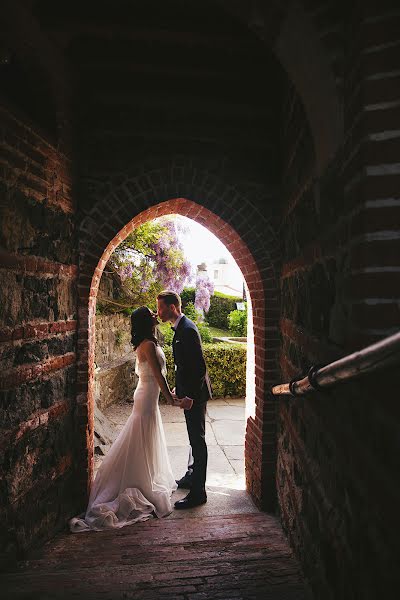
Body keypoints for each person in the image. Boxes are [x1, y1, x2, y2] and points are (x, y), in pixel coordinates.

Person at [69, 306, 177, 532]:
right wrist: (173, 400)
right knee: (141, 435)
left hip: (148, 395)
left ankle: (144, 475)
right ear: (146, 321)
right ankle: (138, 481)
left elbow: (160, 376)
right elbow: (157, 377)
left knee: (145, 437)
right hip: (146, 396)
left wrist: (169, 394)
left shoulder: (148, 342)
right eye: (151, 314)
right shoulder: (147, 345)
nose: (156, 315)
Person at [157, 291, 212, 509]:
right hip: (189, 392)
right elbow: (185, 366)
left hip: (196, 396)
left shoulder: (187, 330)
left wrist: (190, 396)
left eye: (161, 308)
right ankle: (191, 477)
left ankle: (198, 493)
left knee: (198, 441)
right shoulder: (181, 327)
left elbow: (199, 367)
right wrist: (179, 388)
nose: (159, 312)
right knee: (193, 437)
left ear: (172, 307)